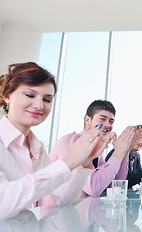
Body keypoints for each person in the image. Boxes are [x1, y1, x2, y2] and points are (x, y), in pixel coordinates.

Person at [0, 62, 103, 219]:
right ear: (7, 96)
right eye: (30, 95)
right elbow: (3, 203)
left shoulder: (37, 147)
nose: (39, 105)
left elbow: (63, 197)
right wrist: (68, 161)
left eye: (47, 99)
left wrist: (82, 162)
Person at [47, 100, 137, 199]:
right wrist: (118, 152)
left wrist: (126, 150)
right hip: (55, 211)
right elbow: (93, 188)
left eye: (111, 121)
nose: (108, 125)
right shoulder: (70, 142)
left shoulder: (96, 151)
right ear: (87, 120)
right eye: (102, 119)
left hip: (78, 210)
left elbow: (113, 185)